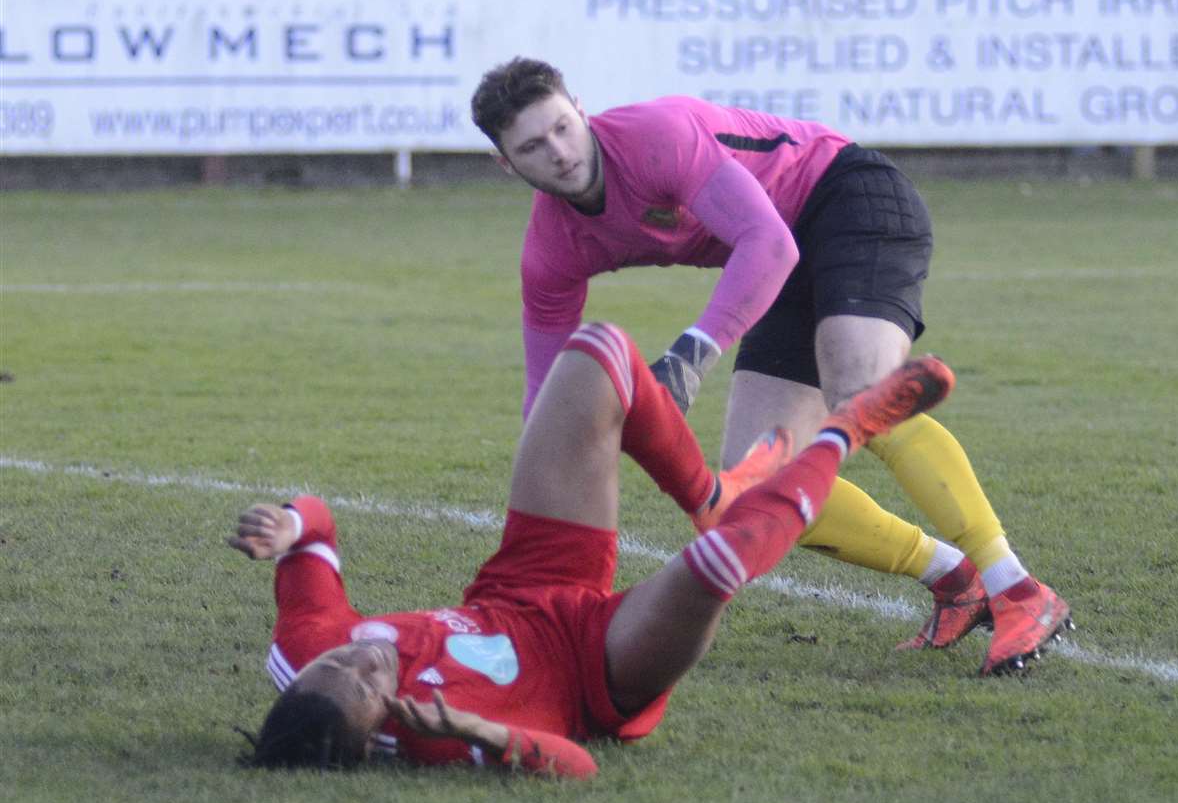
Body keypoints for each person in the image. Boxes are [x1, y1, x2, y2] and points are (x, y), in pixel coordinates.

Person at [468, 58, 1072, 676]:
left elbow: (770, 243)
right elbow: (544, 402)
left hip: (844, 196)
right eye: (534, 147)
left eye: (564, 128)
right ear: (507, 165)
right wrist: (548, 502)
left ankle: (1018, 589)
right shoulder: (550, 250)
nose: (561, 153)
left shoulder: (656, 138)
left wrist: (690, 355)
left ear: (581, 108)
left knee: (862, 394)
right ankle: (955, 579)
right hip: (776, 259)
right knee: (754, 490)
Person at [232, 321, 954, 775]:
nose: (361, 660)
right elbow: (577, 764)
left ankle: (710, 495)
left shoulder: (307, 645)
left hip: (526, 582)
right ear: (376, 728)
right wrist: (481, 730)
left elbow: (320, 525)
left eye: (337, 663)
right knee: (716, 567)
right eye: (365, 686)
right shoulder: (435, 736)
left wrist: (291, 525)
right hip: (598, 665)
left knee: (597, 353)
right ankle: (849, 428)